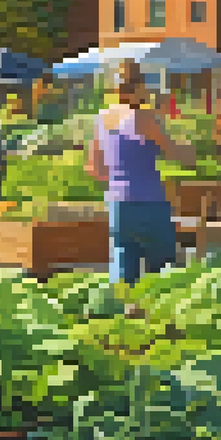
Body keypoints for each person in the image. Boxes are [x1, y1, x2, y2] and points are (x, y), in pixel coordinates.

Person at [86, 59, 195, 285]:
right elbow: (177, 153)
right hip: (149, 202)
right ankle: (160, 318)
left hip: (118, 205)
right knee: (162, 271)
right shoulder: (142, 117)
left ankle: (122, 315)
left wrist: (120, 177)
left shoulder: (102, 118)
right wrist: (190, 149)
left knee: (124, 266)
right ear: (139, 87)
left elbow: (95, 168)